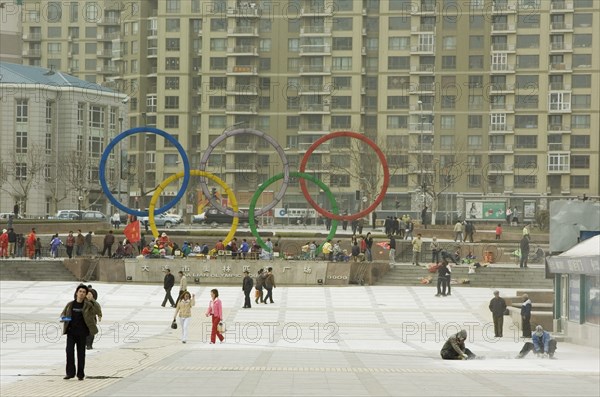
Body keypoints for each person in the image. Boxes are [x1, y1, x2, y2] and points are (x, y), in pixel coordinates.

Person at [60, 284, 102, 380]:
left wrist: (92, 300)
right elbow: (62, 317)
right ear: (76, 293)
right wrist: (68, 319)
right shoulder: (70, 305)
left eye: (84, 292)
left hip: (82, 333)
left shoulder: (88, 305)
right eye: (80, 291)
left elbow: (97, 310)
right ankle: (70, 373)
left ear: (86, 294)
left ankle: (80, 374)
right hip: (71, 333)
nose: (82, 293)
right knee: (69, 351)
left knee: (81, 354)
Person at [85, 285, 101, 350]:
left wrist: (99, 315)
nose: (88, 296)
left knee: (91, 333)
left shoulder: (95, 303)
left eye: (90, 294)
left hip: (92, 320)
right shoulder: (83, 302)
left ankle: (89, 345)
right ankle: (85, 344)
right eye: (87, 294)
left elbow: (98, 309)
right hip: (84, 320)